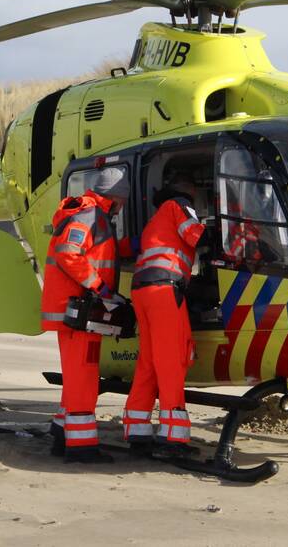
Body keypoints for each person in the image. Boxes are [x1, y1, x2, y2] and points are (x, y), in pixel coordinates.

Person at [41, 167, 129, 463]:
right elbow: (70, 253)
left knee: (76, 377)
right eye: (124, 199)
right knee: (84, 380)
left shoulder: (94, 216)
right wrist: (101, 288)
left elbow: (94, 252)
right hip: (79, 311)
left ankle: (60, 434)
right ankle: (82, 448)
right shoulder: (90, 215)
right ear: (116, 196)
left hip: (73, 310)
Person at [122, 173, 206, 458]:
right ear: (181, 189)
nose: (194, 187)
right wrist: (230, 234)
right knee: (171, 359)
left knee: (148, 360)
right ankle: (174, 435)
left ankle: (137, 428)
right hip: (164, 288)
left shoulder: (155, 219)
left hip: (142, 290)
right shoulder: (178, 205)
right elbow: (195, 235)